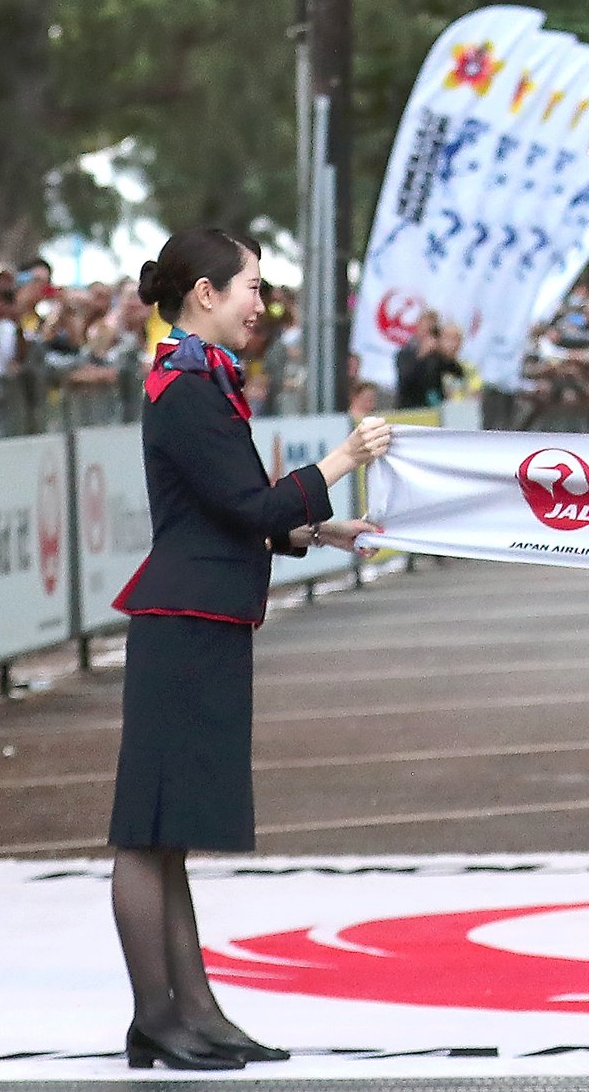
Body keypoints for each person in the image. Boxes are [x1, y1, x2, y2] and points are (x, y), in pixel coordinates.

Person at [107, 226, 391, 1071]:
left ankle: (191, 1013)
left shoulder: (196, 378)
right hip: (185, 622)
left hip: (202, 617)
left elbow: (232, 511)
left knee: (171, 830)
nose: (260, 305)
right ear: (205, 293)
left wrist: (325, 531)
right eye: (251, 289)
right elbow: (244, 504)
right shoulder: (189, 386)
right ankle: (157, 1018)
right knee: (146, 832)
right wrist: (342, 459)